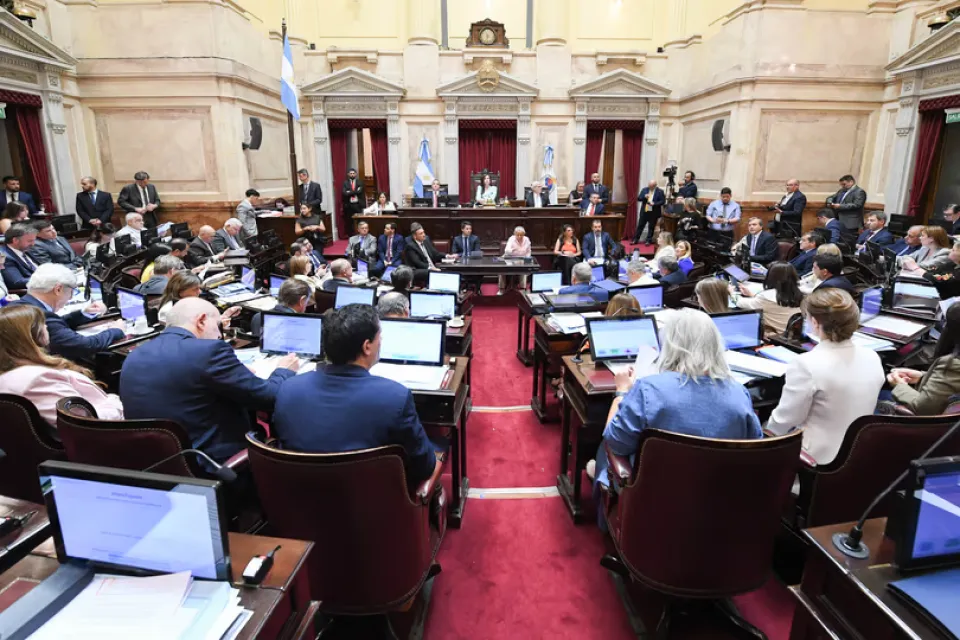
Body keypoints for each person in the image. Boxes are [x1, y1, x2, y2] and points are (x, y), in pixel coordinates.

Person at [591, 308, 761, 493]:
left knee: (606, 446)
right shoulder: (739, 393)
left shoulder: (648, 389)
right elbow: (755, 448)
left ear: (670, 345)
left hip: (654, 497)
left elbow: (615, 443)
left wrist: (621, 392)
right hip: (720, 496)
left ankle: (603, 483)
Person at [272, 304, 441, 483]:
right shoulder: (396, 397)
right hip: (371, 497)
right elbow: (424, 467)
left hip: (297, 494)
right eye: (379, 337)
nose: (381, 341)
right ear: (367, 347)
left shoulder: (288, 389)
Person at [121, 297, 298, 463]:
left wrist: (237, 373)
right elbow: (268, 397)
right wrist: (283, 370)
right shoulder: (209, 351)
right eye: (217, 325)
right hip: (211, 462)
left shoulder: (135, 355)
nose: (219, 335)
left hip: (158, 462)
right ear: (202, 320)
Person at [766, 288, 883, 464]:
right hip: (859, 453)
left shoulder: (806, 364)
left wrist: (763, 435)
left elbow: (785, 421)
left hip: (814, 459)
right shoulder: (872, 356)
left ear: (814, 322)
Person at [0, 305, 123, 426]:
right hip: (110, 431)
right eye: (42, 324)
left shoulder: (12, 371)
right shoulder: (38, 380)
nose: (46, 326)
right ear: (31, 336)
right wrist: (116, 402)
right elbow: (82, 423)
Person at [12, 264, 125, 362]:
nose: (70, 297)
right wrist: (116, 330)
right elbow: (85, 345)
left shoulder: (19, 304)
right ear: (58, 289)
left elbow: (56, 324)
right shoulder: (42, 316)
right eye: (71, 292)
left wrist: (84, 313)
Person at [887, 302, 960, 415]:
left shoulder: (953, 365)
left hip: (927, 423)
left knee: (877, 394)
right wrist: (923, 377)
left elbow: (923, 408)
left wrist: (899, 385)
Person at [735, 262, 804, 336]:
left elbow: (740, 303)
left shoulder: (766, 297)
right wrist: (752, 295)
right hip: (789, 336)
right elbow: (768, 305)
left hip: (772, 336)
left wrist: (731, 292)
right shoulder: (800, 294)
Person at [1, 223, 39, 290]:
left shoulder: (26, 249)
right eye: (30, 241)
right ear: (15, 240)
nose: (33, 244)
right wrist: (45, 279)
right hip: (30, 292)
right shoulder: (3, 256)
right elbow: (16, 282)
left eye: (34, 240)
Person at [633, 179, 666, 245]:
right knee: (640, 225)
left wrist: (654, 203)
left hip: (654, 211)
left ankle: (648, 240)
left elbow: (662, 201)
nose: (650, 187)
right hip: (645, 210)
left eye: (651, 186)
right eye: (649, 186)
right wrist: (644, 196)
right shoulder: (644, 190)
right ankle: (635, 239)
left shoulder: (660, 191)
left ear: (655, 186)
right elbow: (639, 198)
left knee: (651, 227)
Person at [500, 225, 532, 293]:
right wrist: (512, 250)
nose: (519, 236)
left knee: (524, 269)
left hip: (522, 259)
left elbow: (528, 251)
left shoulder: (527, 239)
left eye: (521, 235)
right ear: (515, 234)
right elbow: (506, 251)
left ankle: (522, 289)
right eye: (518, 235)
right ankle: (501, 289)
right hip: (510, 258)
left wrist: (527, 258)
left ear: (524, 234)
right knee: (501, 269)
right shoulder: (511, 239)